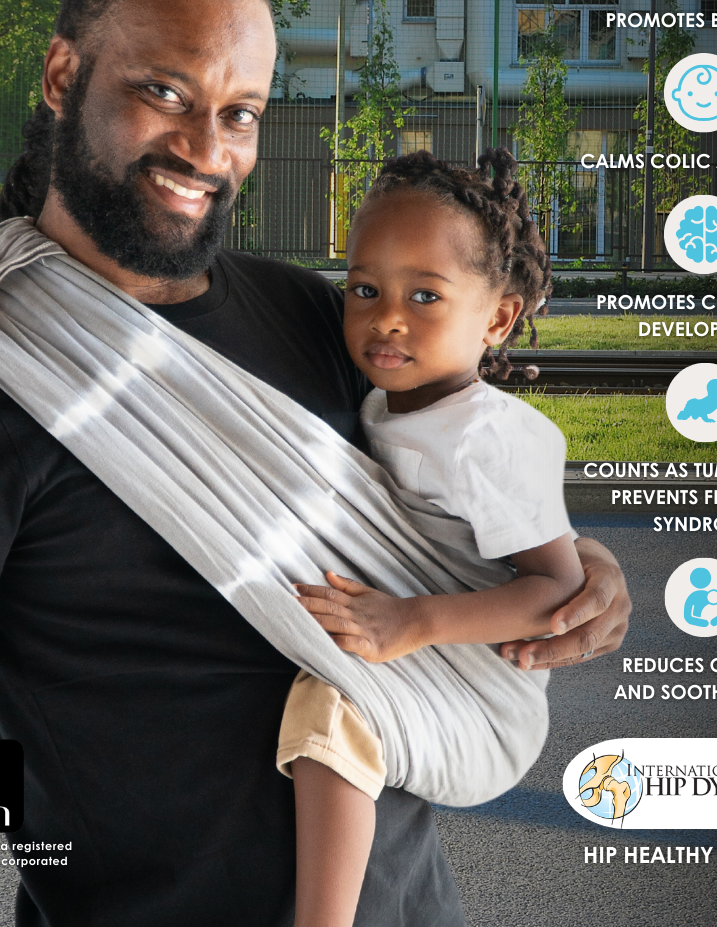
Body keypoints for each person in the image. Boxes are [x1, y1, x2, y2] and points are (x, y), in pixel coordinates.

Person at [0, 0, 631, 927]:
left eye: (240, 112)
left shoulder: (313, 319)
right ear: (64, 75)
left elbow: (443, 515)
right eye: (163, 93)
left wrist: (580, 570)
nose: (206, 149)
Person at [280, 149, 585, 927]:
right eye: (365, 290)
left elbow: (555, 589)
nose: (387, 318)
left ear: (498, 319)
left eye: (425, 295)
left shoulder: (489, 438)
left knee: (330, 707)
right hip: (426, 651)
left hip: (486, 689)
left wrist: (410, 621)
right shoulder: (389, 400)